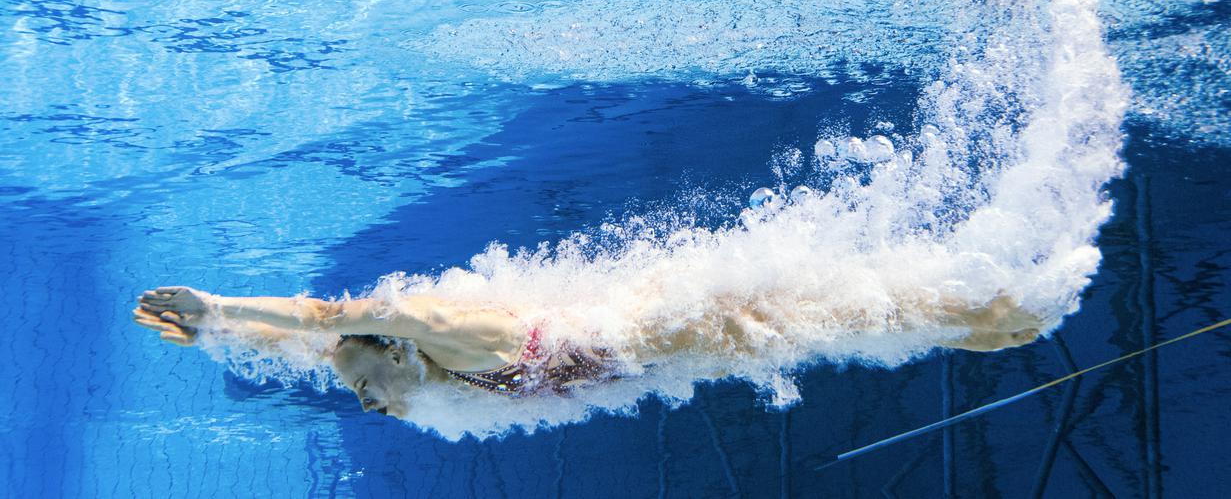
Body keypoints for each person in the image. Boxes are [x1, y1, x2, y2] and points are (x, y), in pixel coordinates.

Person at [133, 285, 1042, 419]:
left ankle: (973, 306)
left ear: (392, 353)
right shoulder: (398, 366)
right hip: (632, 363)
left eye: (363, 385)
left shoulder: (435, 330)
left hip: (636, 334)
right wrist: (213, 336)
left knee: (805, 323)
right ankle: (961, 316)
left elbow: (329, 312)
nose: (365, 400)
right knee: (803, 338)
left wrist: (216, 300)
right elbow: (305, 343)